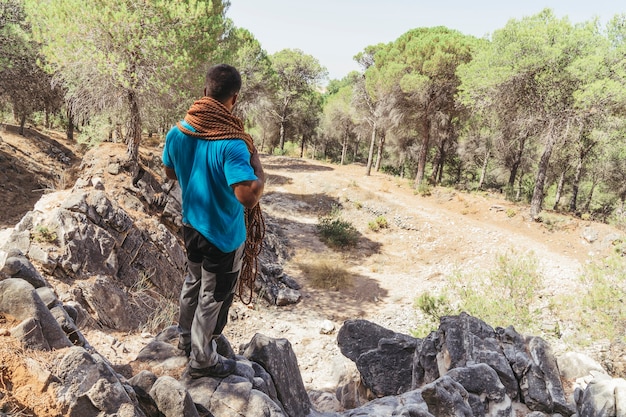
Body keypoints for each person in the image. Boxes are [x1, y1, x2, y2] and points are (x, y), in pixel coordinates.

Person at [162, 64, 265, 378]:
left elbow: (169, 172)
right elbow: (247, 195)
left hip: (191, 225)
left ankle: (184, 339)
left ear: (206, 91)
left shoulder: (179, 131)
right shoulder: (233, 144)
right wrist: (259, 168)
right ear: (233, 99)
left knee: (192, 283)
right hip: (223, 236)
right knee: (214, 295)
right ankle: (203, 359)